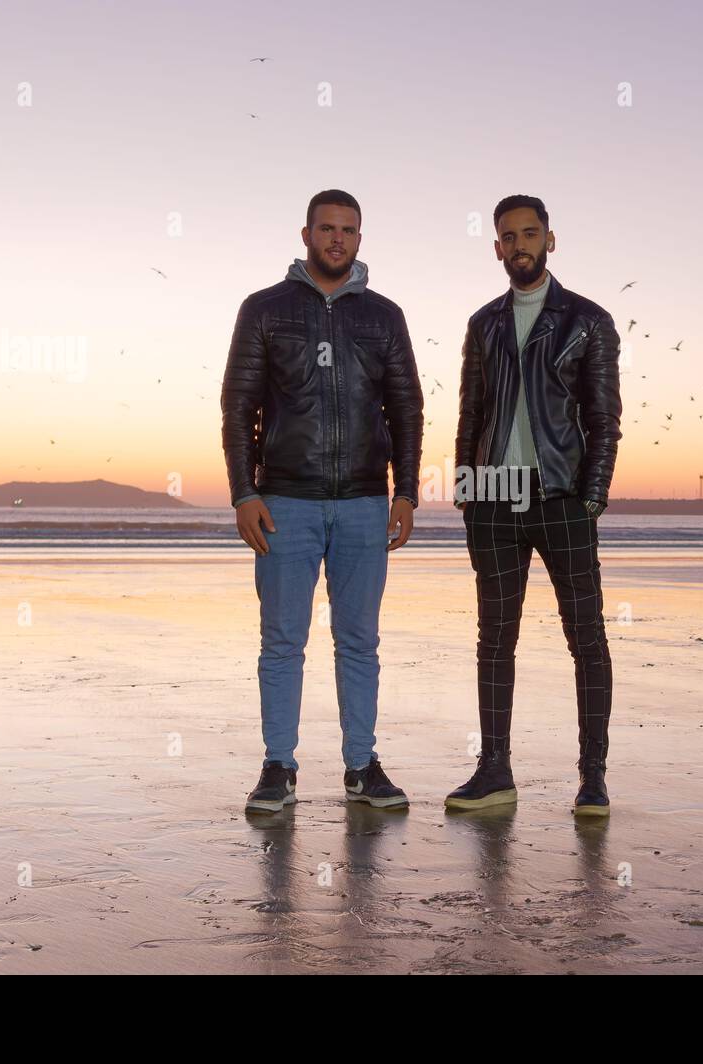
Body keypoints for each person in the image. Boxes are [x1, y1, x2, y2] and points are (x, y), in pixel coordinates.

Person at [221, 189, 422, 812]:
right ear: (305, 233)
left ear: (360, 240)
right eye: (327, 229)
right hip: (286, 501)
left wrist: (407, 492)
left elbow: (407, 407)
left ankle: (361, 767)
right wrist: (244, 493)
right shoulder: (264, 309)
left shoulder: (384, 316)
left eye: (349, 230)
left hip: (364, 501)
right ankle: (278, 767)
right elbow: (239, 406)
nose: (338, 239)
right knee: (282, 641)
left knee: (359, 641)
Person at [446, 194, 622, 817]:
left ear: (550, 239)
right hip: (495, 499)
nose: (519, 245)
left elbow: (605, 421)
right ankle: (495, 772)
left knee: (586, 639)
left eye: (529, 234)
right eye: (507, 237)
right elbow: (470, 415)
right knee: (494, 640)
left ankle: (593, 778)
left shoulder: (587, 322)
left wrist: (591, 498)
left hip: (563, 497)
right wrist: (468, 492)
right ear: (496, 247)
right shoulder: (483, 324)